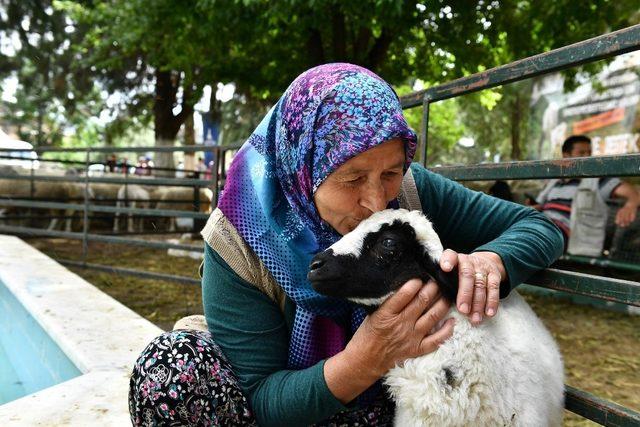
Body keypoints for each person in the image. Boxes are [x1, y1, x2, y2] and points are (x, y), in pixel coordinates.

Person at [129, 64, 564, 426]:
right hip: (296, 405)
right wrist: (365, 359)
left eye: (391, 173)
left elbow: (537, 226)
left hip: (395, 408)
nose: (377, 201)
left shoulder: (410, 193)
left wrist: (493, 261)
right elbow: (261, 397)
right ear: (305, 166)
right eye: (352, 178)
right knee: (170, 367)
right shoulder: (238, 238)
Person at [535, 135, 639, 255]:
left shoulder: (598, 180)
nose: (587, 157)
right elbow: (538, 205)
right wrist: (534, 208)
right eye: (581, 153)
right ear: (566, 156)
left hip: (562, 237)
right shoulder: (554, 182)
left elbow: (632, 193)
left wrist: (631, 204)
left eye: (589, 152)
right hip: (542, 227)